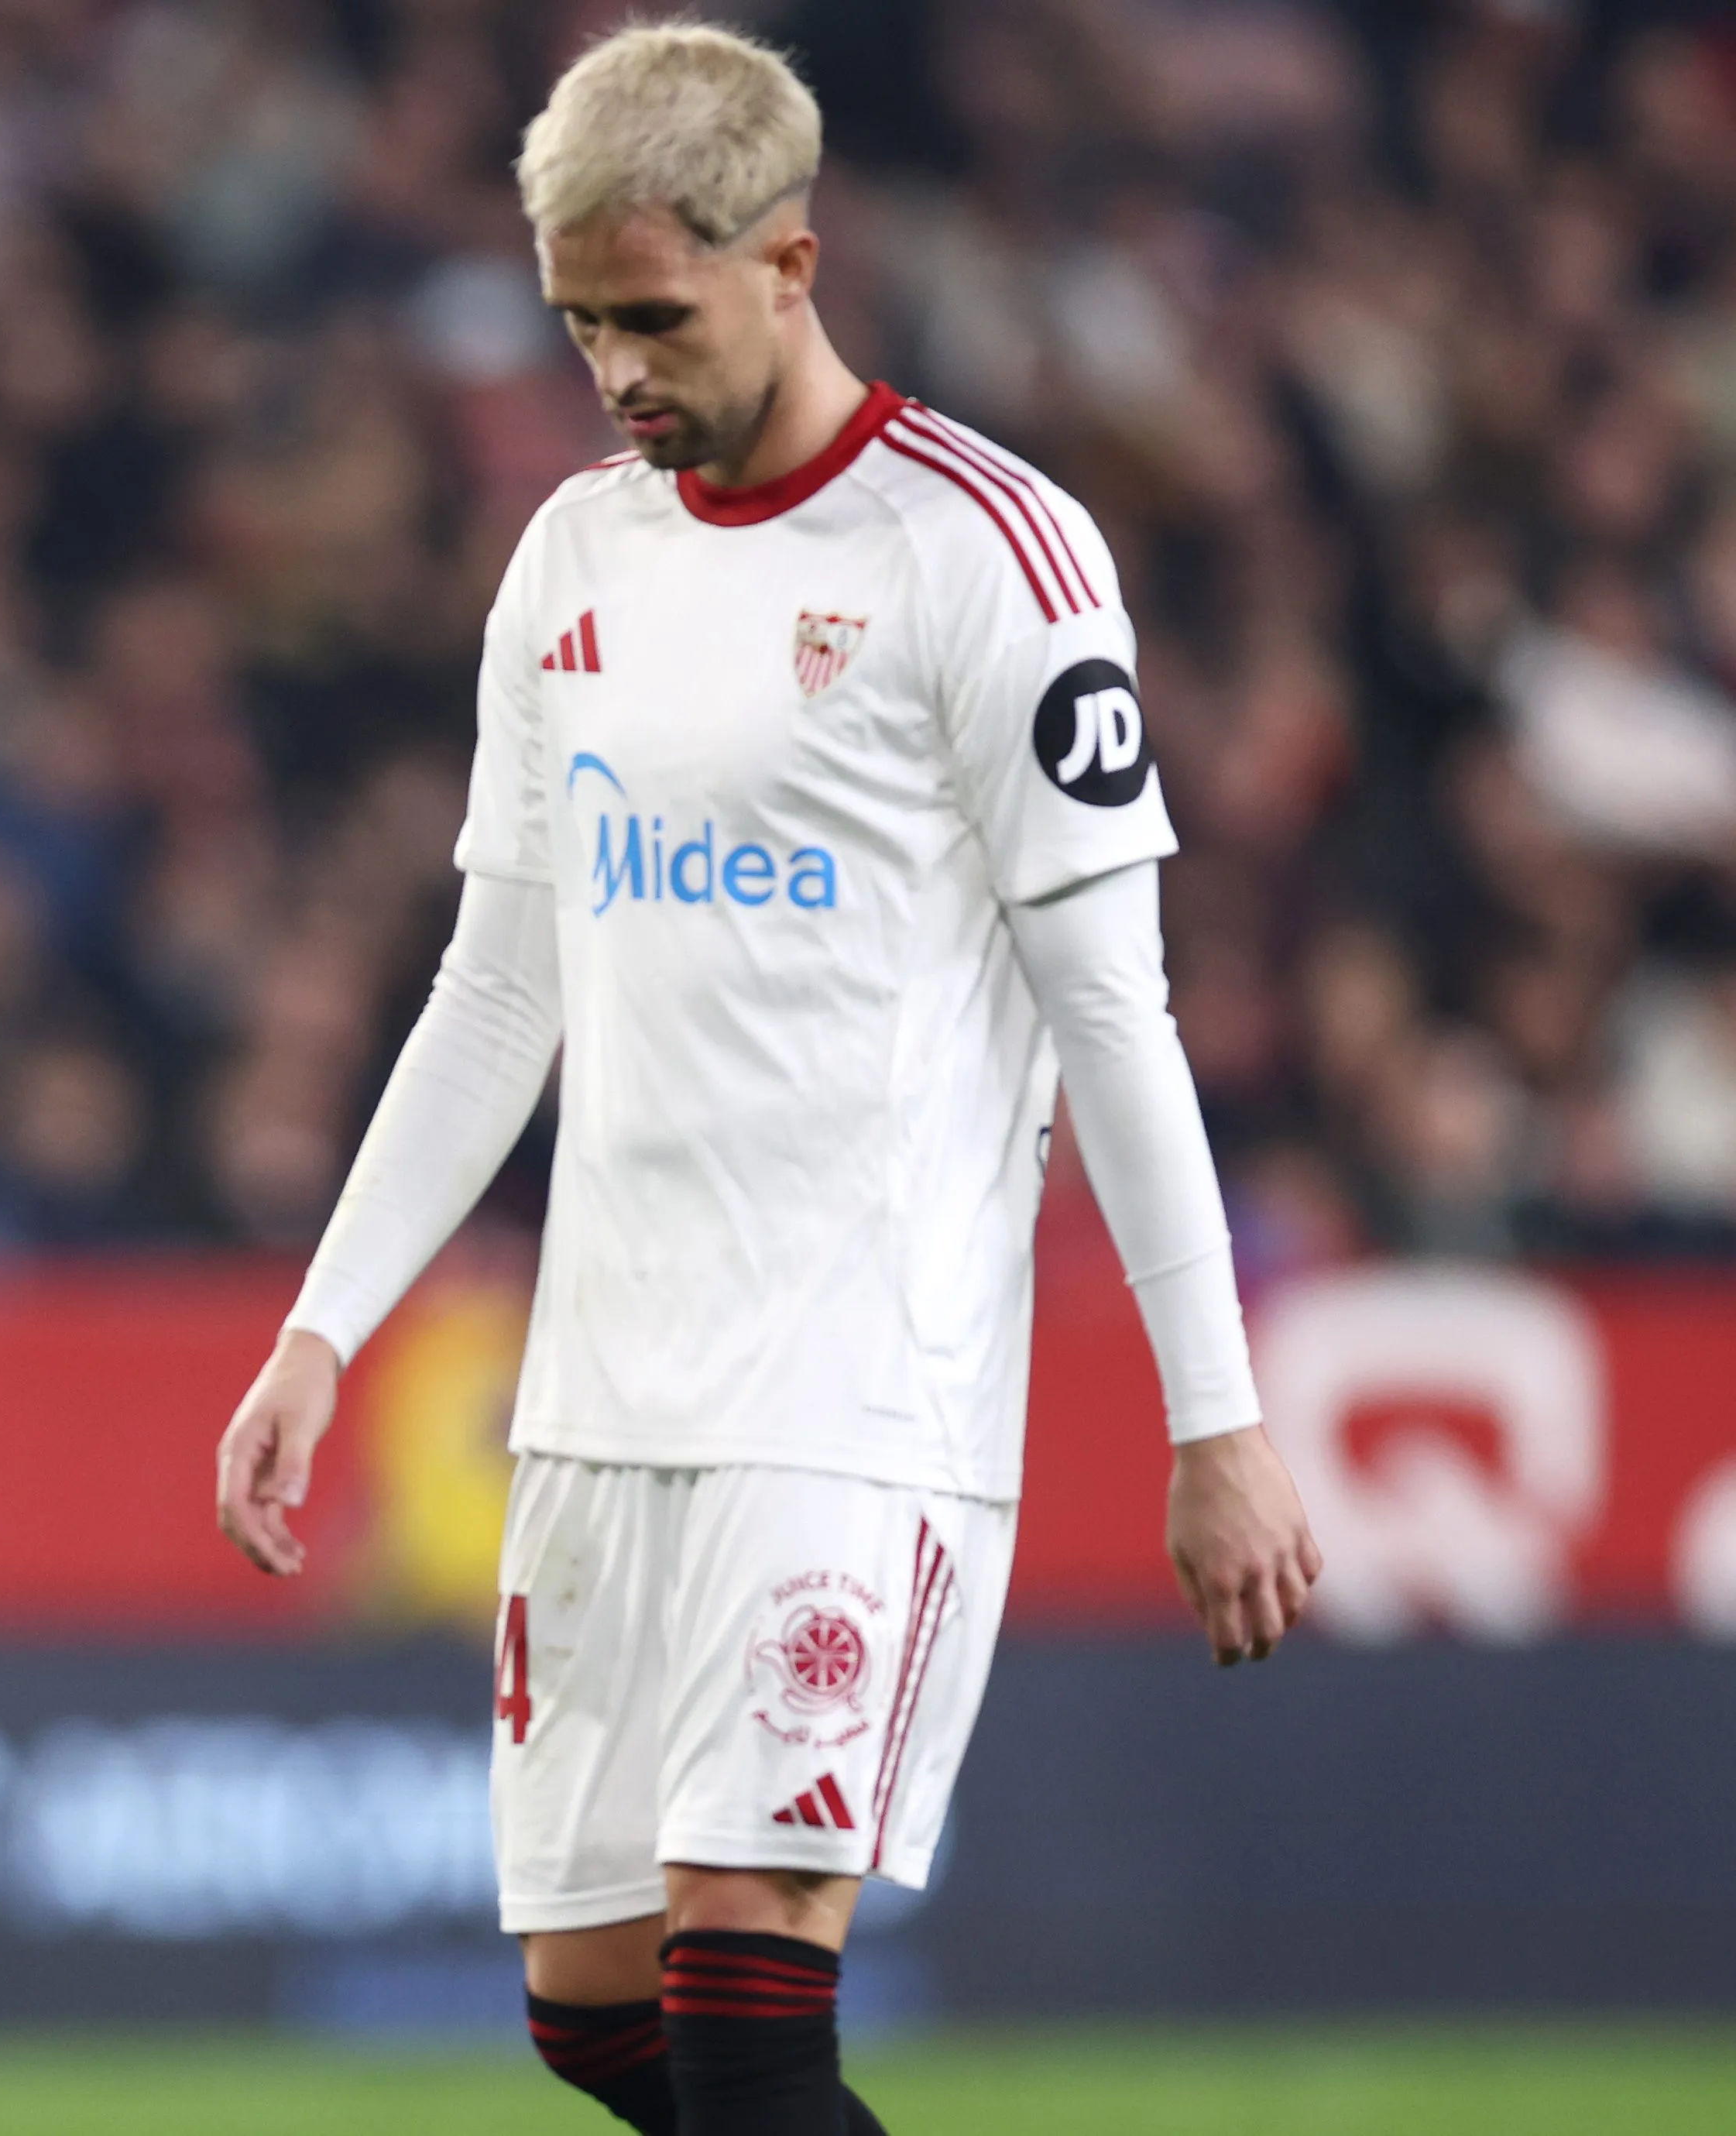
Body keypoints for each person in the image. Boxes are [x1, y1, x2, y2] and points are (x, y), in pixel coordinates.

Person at [208, 26, 1321, 2136]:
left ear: (788, 262)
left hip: (852, 1385)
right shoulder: (568, 562)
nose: (612, 371)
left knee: (741, 2012)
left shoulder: (986, 555)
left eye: (653, 314)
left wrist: (1217, 1418)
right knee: (587, 2010)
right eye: (575, 324)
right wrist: (316, 1326)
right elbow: (489, 989)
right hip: (600, 1385)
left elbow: (1115, 1013)